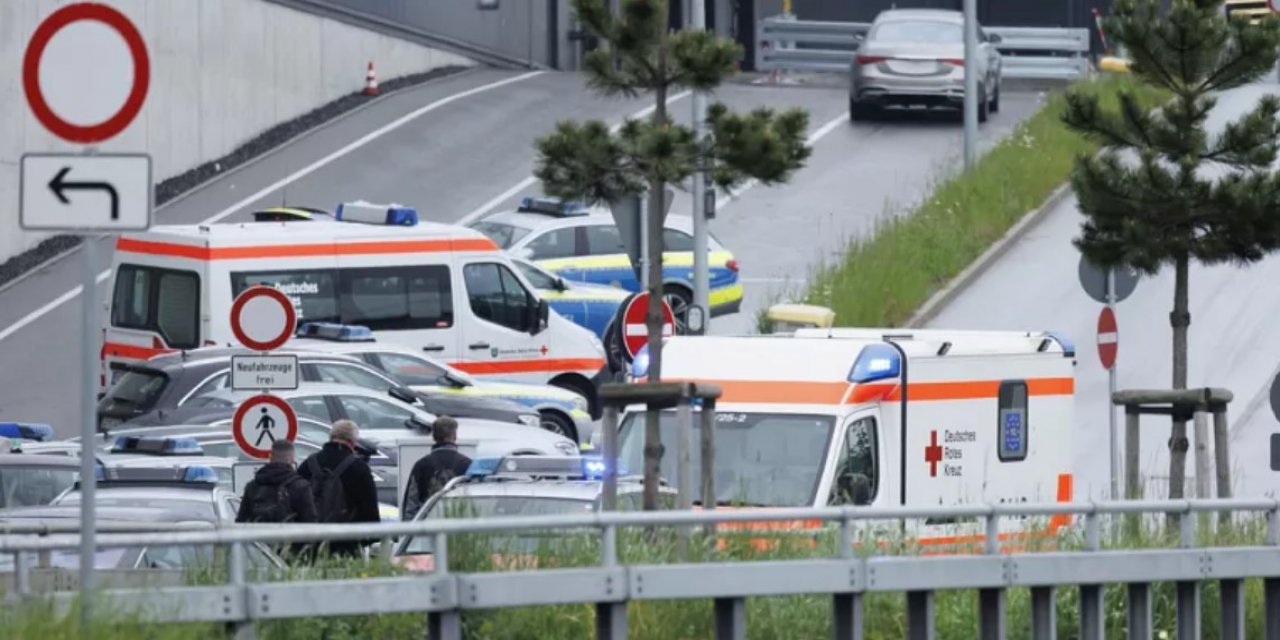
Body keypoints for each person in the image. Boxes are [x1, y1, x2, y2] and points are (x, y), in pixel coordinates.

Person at [297, 419, 380, 557]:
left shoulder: (308, 464)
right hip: (346, 544)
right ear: (353, 442)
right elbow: (369, 510)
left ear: (331, 437)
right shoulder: (358, 467)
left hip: (311, 542)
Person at [402, 416, 472, 520]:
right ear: (454, 436)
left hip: (428, 528)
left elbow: (411, 505)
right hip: (459, 527)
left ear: (434, 437)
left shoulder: (421, 465)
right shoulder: (467, 464)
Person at [235, 439, 316, 525]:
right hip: (290, 537)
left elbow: (241, 521)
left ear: (270, 457)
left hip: (259, 536)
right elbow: (310, 521)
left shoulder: (253, 486)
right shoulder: (301, 487)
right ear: (291, 460)